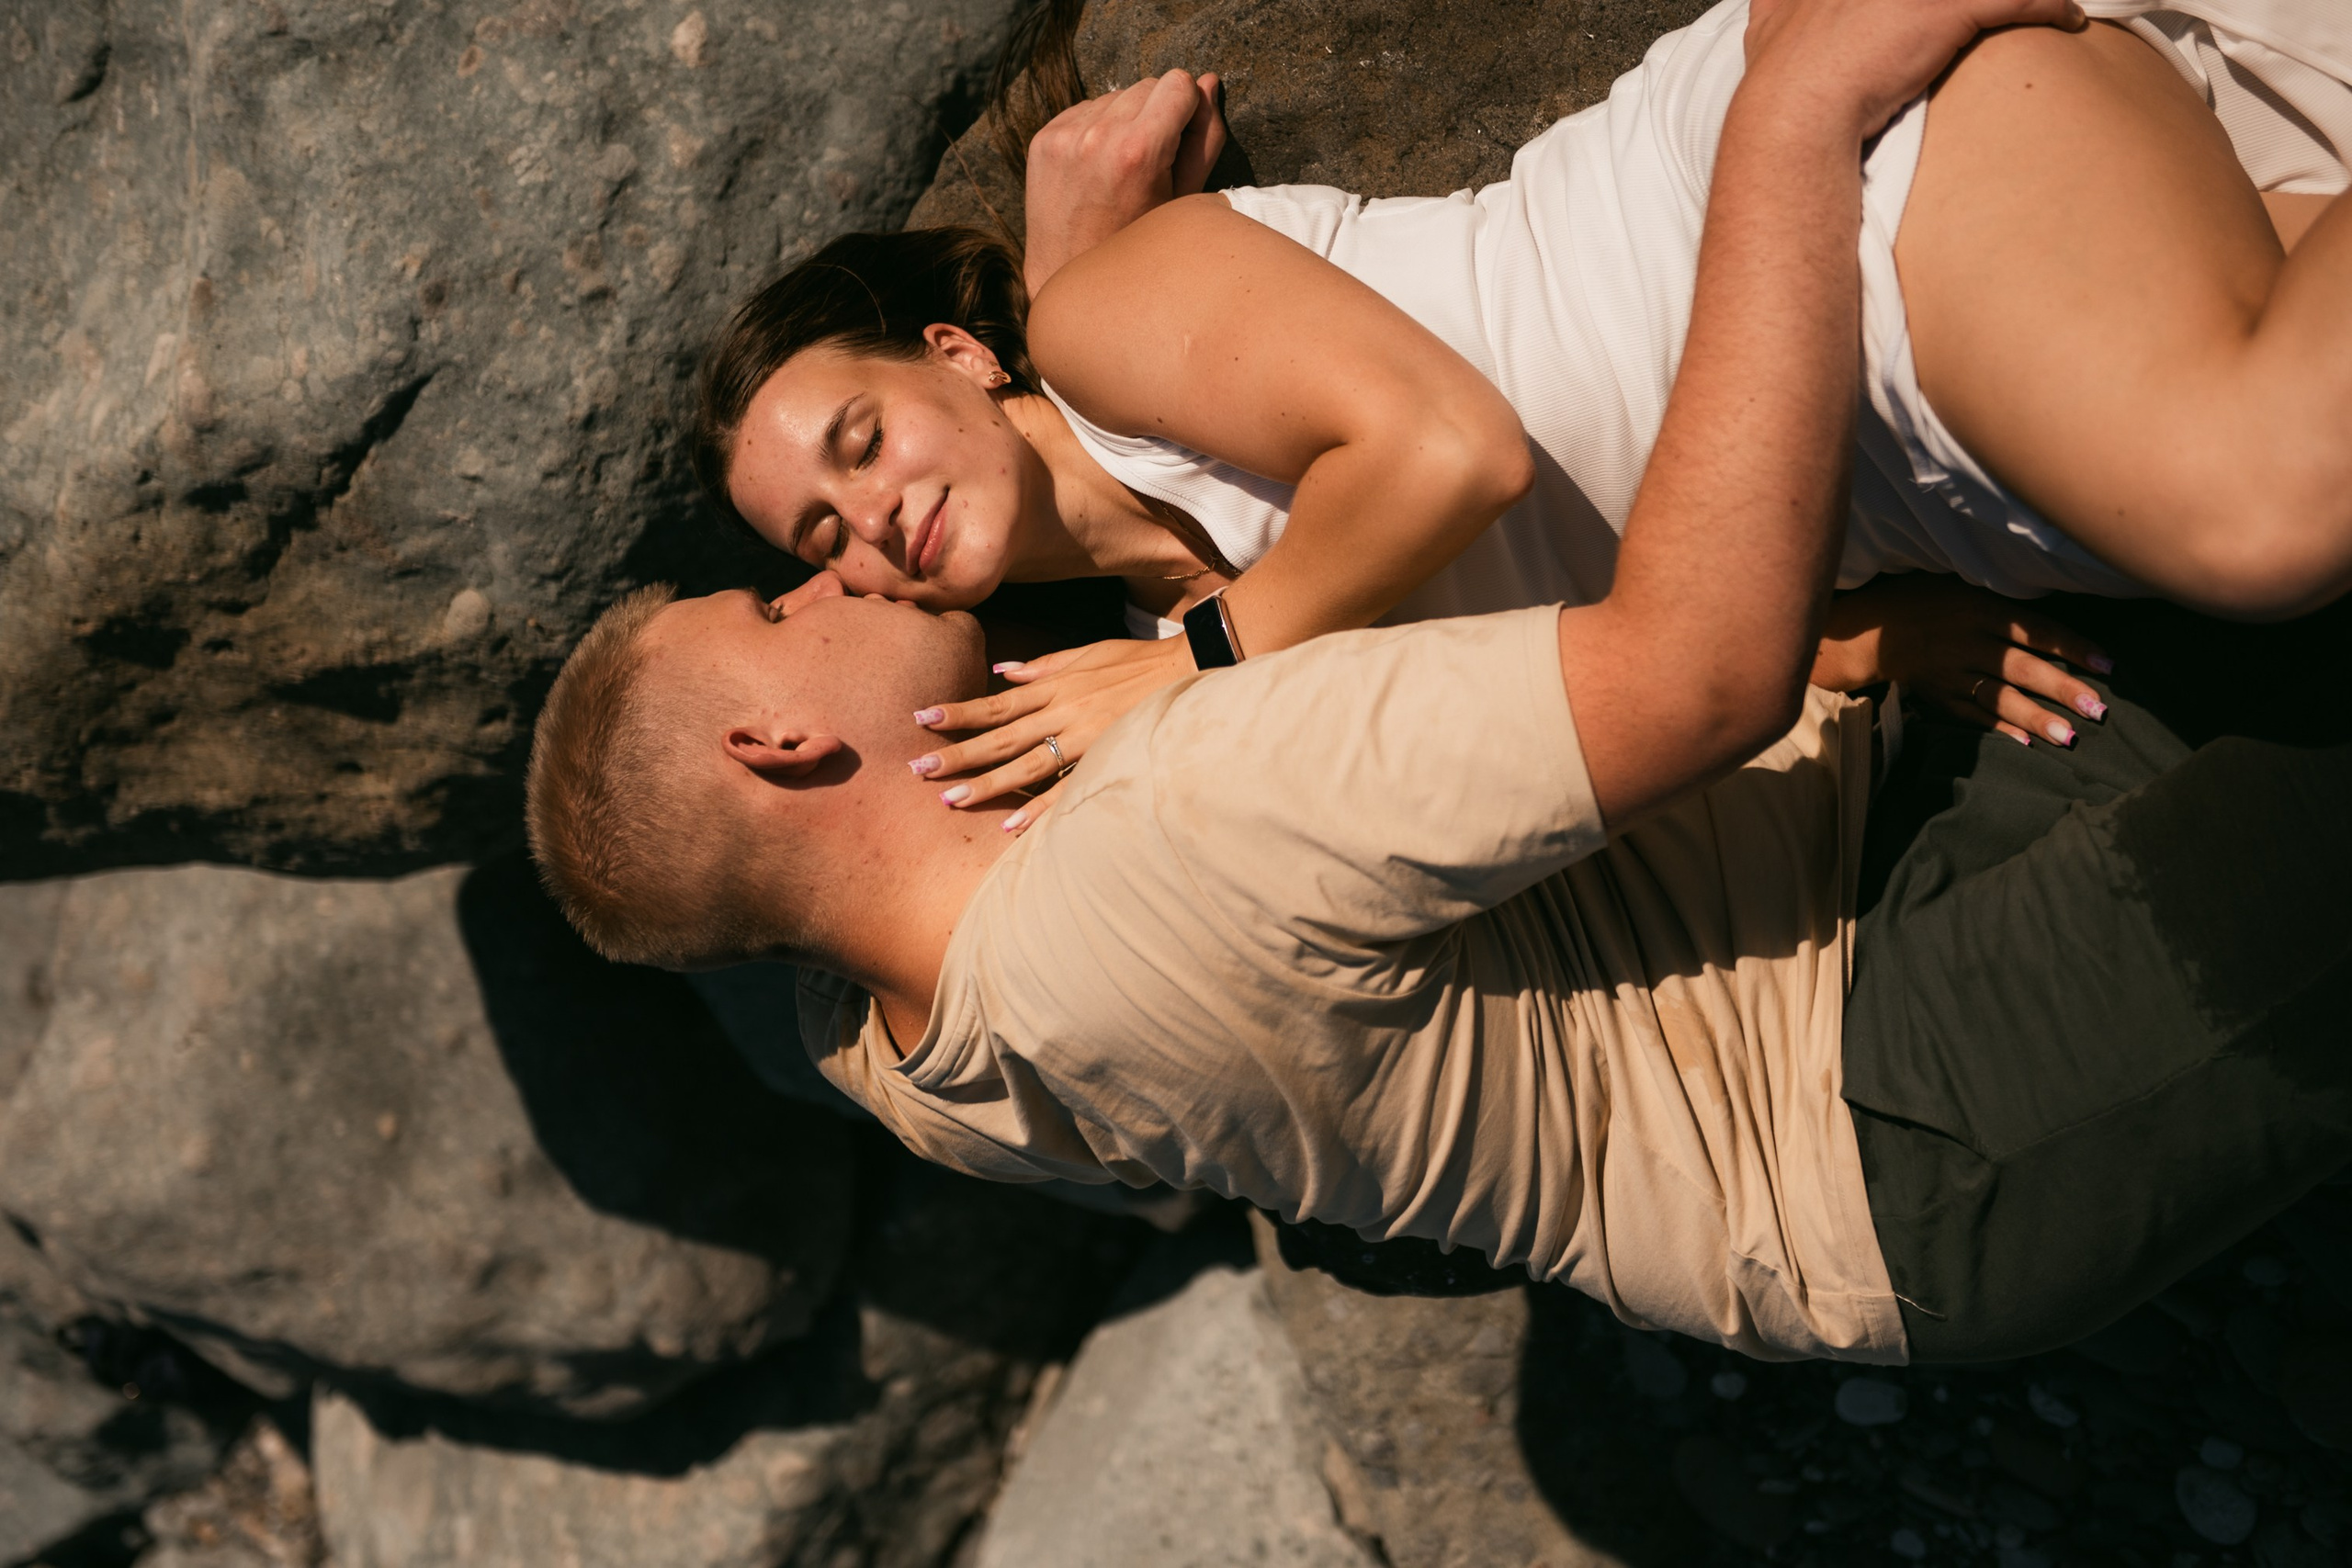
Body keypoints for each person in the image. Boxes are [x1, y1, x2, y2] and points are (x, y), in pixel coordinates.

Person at [528, 0, 2351, 1365]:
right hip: (1879, 1105)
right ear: (780, 740)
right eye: (785, 586)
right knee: (2274, 505)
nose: (839, 564)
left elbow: (1437, 555)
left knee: (2263, 483)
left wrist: (1088, 323)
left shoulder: (925, 1062)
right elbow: (1672, 669)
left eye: (841, 482)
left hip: (1849, 823)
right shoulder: (1175, 808)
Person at [690, 0, 2351, 822]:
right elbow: (1588, 659)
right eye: (826, 539)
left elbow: (1450, 452)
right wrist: (1867, 642)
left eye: (861, 439)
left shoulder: (1101, 328)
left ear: (960, 357)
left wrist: (1200, 667)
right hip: (1895, 462)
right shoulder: (1173, 648)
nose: (873, 513)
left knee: (2264, 515)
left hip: (1836, 214)